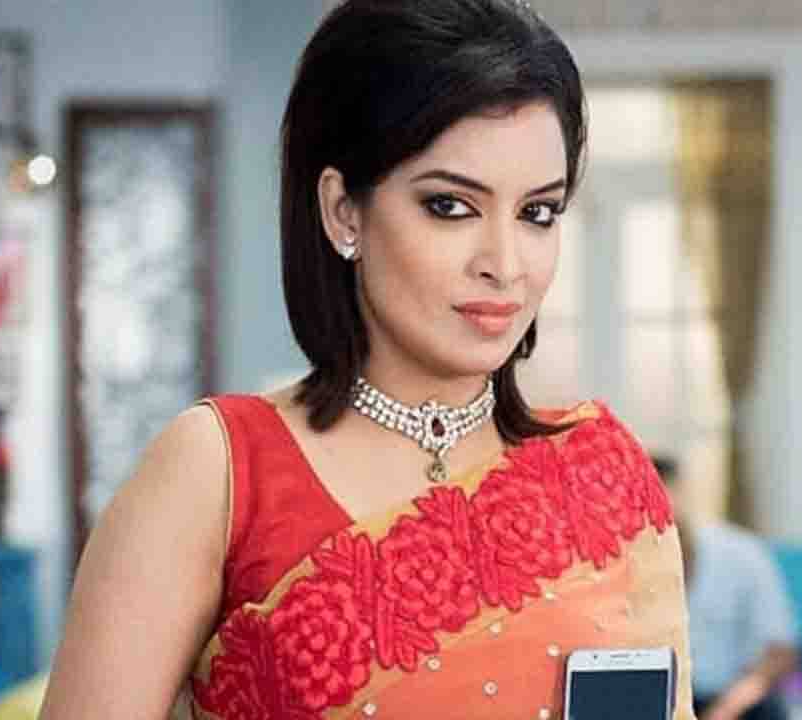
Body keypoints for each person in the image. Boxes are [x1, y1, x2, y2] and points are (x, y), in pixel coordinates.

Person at [39, 2, 696, 718]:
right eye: (451, 206)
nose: (505, 264)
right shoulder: (217, 471)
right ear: (343, 211)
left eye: (537, 212)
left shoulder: (601, 473)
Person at [653, 456, 800, 720]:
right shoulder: (619, 567)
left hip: (736, 702)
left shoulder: (743, 554)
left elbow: (781, 653)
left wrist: (724, 711)